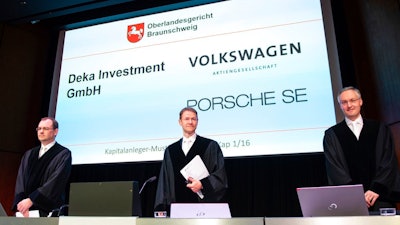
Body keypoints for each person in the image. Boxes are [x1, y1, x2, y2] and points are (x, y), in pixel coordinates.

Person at [323, 86, 399, 211]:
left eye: (353, 100)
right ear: (340, 106)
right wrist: (355, 194)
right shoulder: (332, 135)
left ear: (360, 101)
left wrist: (376, 189)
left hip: (380, 197)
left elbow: (388, 161)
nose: (349, 105)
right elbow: (334, 168)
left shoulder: (380, 129)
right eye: (344, 102)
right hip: (350, 201)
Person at [154, 107, 228, 213]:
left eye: (194, 119)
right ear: (180, 122)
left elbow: (220, 176)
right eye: (187, 118)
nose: (190, 122)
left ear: (197, 122)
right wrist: (161, 208)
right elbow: (164, 183)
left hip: (204, 208)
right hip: (177, 208)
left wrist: (203, 184)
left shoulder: (210, 146)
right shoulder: (170, 150)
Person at [12, 117, 72, 217]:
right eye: (39, 129)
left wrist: (32, 200)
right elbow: (20, 181)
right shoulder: (29, 154)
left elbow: (56, 182)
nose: (41, 131)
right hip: (25, 211)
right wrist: (21, 205)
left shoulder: (63, 154)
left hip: (47, 210)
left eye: (45, 129)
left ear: (55, 131)